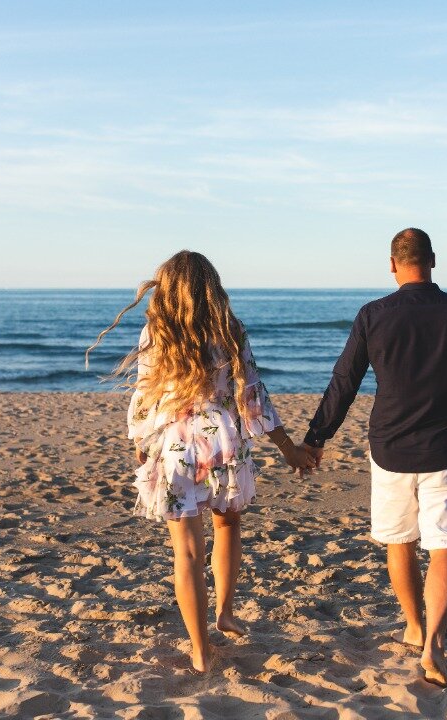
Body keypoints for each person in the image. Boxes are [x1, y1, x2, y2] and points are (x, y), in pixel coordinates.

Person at [86, 250, 316, 673]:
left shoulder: (158, 331)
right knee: (227, 526)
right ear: (211, 286)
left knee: (187, 551)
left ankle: (199, 647)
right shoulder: (229, 329)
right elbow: (252, 396)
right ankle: (225, 614)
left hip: (174, 448)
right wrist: (287, 447)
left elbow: (144, 396)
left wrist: (140, 446)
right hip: (223, 445)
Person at [301, 228, 447, 687]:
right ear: (433, 261)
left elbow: (344, 382)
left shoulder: (373, 315)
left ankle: (414, 625)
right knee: (445, 543)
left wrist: (316, 438)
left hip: (390, 447)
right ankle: (433, 643)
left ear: (392, 264)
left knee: (401, 542)